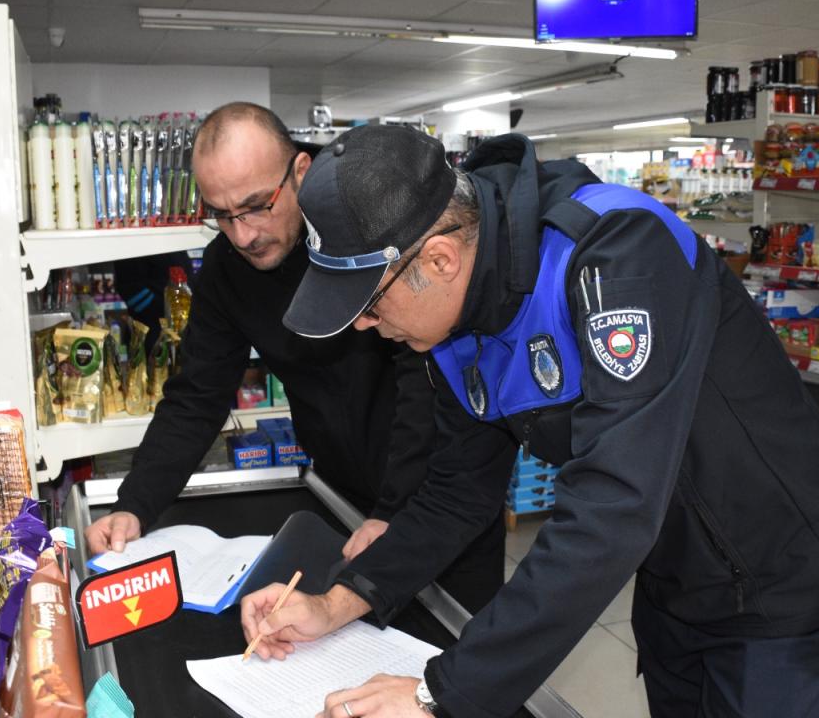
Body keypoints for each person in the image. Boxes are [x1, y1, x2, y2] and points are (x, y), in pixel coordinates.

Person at [240, 125, 819, 718]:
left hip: (778, 581)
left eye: (371, 303)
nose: (362, 326)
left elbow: (612, 505)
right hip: (673, 581)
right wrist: (336, 602)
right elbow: (458, 491)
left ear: (439, 260)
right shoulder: (457, 322)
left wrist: (438, 695)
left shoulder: (616, 251)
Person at [84, 103, 505, 614]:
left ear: (300, 171)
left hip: (441, 496)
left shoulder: (367, 227)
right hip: (337, 496)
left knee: (451, 634)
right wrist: (135, 504)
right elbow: (197, 393)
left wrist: (395, 510)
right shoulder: (226, 267)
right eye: (222, 215)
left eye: (256, 206)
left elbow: (423, 375)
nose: (243, 234)